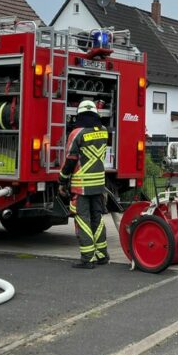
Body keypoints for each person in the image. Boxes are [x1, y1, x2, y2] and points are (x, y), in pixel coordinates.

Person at [59, 100, 109, 268]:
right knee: (97, 218)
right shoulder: (103, 132)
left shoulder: (76, 133)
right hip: (99, 184)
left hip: (81, 185)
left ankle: (88, 258)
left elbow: (70, 160)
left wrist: (62, 180)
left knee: (82, 220)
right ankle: (102, 254)